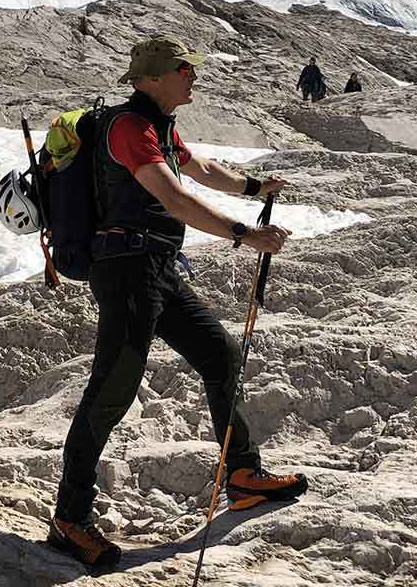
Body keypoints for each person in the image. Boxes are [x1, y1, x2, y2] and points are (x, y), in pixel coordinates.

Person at [48, 35, 309, 569]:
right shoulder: (129, 128)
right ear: (151, 78)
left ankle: (243, 475)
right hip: (126, 272)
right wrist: (244, 234)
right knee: (112, 390)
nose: (192, 75)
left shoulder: (160, 127)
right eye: (182, 69)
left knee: (219, 354)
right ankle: (69, 519)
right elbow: (173, 196)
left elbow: (201, 169)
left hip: (156, 268)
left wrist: (254, 187)